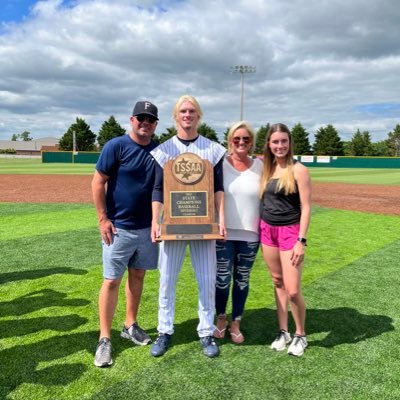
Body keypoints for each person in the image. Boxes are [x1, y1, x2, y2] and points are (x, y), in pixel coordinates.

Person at [150, 95, 226, 358]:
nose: (187, 115)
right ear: (175, 116)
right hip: (172, 226)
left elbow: (218, 188)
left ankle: (206, 332)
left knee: (206, 281)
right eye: (183, 111)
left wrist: (222, 219)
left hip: (204, 226)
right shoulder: (164, 150)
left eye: (192, 111)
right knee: (166, 280)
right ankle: (164, 330)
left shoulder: (212, 149)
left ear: (198, 116)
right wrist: (154, 221)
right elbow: (158, 188)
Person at [92, 101, 159, 367]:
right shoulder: (116, 146)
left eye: (150, 119)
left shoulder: (158, 150)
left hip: (146, 228)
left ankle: (130, 324)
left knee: (138, 275)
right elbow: (98, 181)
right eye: (141, 118)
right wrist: (102, 219)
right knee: (111, 281)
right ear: (132, 120)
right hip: (118, 227)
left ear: (155, 124)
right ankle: (104, 339)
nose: (145, 122)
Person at [259, 123, 312, 357]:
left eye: (283, 141)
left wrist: (301, 240)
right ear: (269, 145)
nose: (279, 146)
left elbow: (307, 206)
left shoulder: (299, 169)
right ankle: (284, 331)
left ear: (289, 143)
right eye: (275, 142)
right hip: (267, 231)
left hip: (290, 232)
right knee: (277, 281)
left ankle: (301, 334)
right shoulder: (266, 169)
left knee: (292, 290)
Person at [213, 121, 263, 344]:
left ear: (252, 142)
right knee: (222, 279)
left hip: (251, 235)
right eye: (237, 139)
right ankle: (221, 318)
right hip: (223, 233)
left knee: (242, 279)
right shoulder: (219, 163)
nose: (241, 142)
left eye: (246, 139)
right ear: (230, 141)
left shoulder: (261, 166)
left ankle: (237, 322)